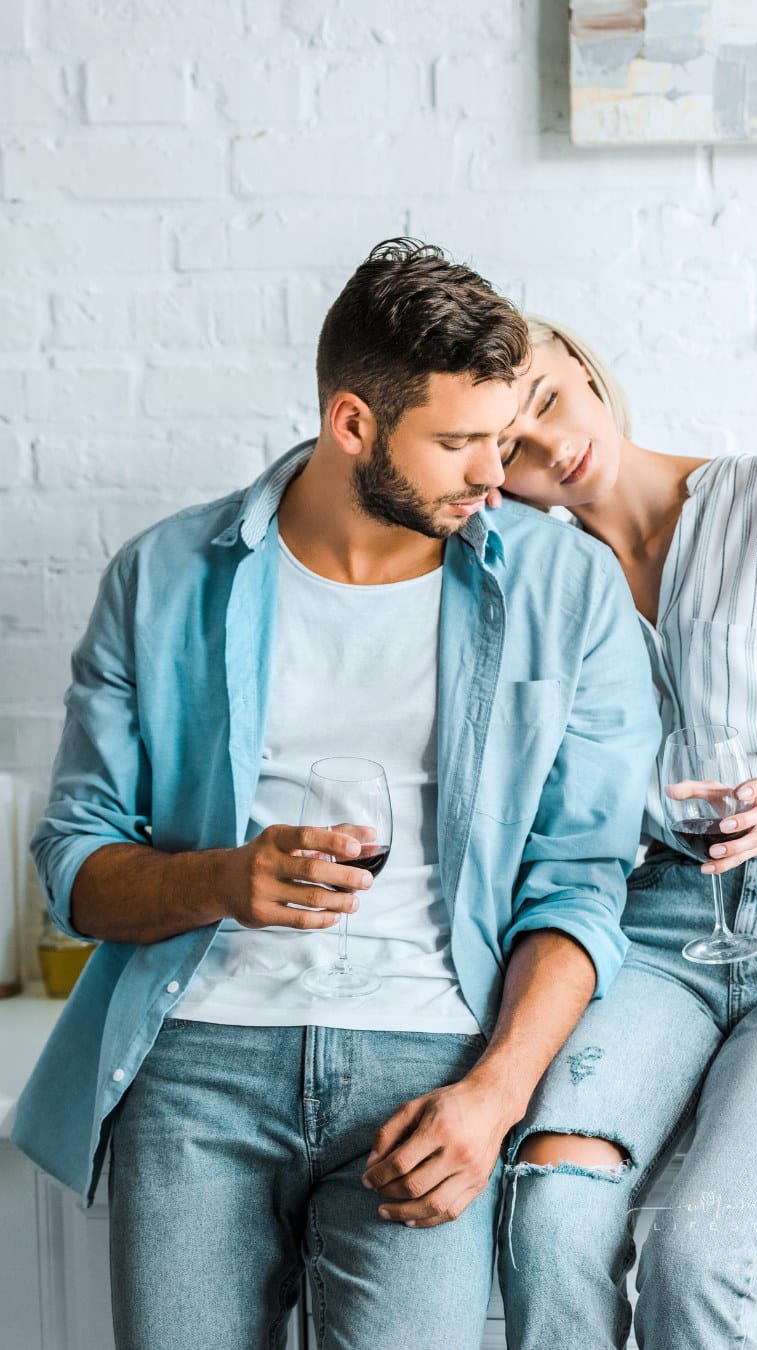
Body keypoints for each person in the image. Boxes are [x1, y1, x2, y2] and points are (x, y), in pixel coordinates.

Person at [12, 247, 659, 1350]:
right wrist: (225, 879)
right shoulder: (164, 576)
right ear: (353, 423)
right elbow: (76, 866)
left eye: (502, 440)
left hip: (430, 1073)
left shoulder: (564, 589)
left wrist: (494, 1095)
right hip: (196, 1068)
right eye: (458, 445)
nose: (495, 477)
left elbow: (584, 882)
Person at [492, 315, 757, 1350]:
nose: (550, 447)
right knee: (548, 1226)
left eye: (546, 402)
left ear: (583, 370)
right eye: (509, 450)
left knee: (695, 1254)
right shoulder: (537, 587)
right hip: (658, 931)